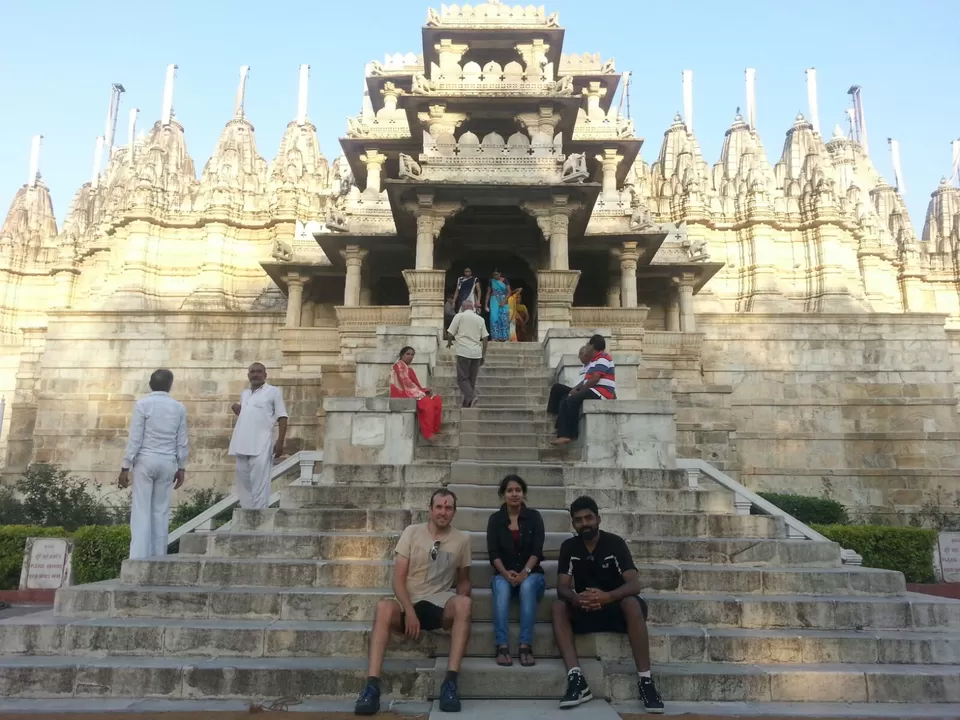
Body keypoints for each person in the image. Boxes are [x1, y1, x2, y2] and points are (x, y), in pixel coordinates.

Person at [355, 489, 473, 715]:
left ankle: (450, 684)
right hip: (409, 600)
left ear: (454, 512)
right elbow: (397, 580)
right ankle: (371, 687)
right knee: (383, 608)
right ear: (430, 510)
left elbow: (465, 580)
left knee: (464, 605)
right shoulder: (412, 532)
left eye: (448, 508)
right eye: (439, 507)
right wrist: (409, 610)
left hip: (439, 601)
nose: (443, 512)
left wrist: (463, 603)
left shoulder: (462, 540)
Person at [552, 496, 663, 713]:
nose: (585, 523)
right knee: (558, 606)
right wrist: (577, 598)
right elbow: (562, 587)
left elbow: (634, 584)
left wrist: (608, 597)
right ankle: (576, 679)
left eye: (588, 518)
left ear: (598, 519)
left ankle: (646, 681)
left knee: (632, 603)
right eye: (578, 520)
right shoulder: (569, 547)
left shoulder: (615, 543)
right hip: (585, 607)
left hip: (615, 607)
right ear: (573, 524)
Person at [118, 368, 188, 560]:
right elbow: (182, 441)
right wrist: (181, 467)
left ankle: (138, 558)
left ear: (150, 384)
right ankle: (158, 557)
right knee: (161, 511)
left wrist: (125, 467)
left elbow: (135, 439)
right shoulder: (178, 408)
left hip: (145, 461)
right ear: (170, 385)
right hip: (167, 462)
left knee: (141, 510)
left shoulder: (143, 405)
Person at [486, 474, 546, 667]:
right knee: (501, 587)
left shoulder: (534, 517)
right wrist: (505, 573)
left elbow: (537, 549)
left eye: (518, 490)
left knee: (527, 586)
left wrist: (525, 572)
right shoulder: (495, 520)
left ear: (523, 494)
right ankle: (501, 645)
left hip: (532, 574)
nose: (514, 494)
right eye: (510, 490)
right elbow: (493, 553)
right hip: (504, 573)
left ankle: (525, 645)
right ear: (503, 494)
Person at [227, 362, 288, 509]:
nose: (255, 374)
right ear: (248, 375)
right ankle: (247, 514)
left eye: (259, 372)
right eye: (252, 372)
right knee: (243, 481)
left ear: (265, 375)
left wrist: (280, 442)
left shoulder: (273, 392)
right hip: (242, 443)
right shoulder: (245, 394)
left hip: (262, 443)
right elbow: (249, 416)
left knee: (260, 482)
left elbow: (282, 417)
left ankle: (259, 517)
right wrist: (238, 410)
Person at [548, 334, 615, 445]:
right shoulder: (595, 360)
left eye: (588, 344)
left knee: (572, 399)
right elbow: (586, 380)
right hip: (594, 389)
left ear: (592, 346)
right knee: (566, 398)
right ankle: (563, 434)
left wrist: (580, 391)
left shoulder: (603, 357)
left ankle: (572, 434)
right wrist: (576, 389)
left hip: (601, 392)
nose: (587, 346)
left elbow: (595, 378)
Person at [390, 346, 443, 442]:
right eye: (408, 354)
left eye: (412, 355)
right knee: (427, 402)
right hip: (402, 393)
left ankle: (435, 429)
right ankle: (428, 433)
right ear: (402, 355)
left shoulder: (409, 369)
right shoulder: (399, 365)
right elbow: (406, 383)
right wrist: (422, 393)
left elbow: (416, 385)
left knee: (437, 398)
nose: (410, 356)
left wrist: (424, 390)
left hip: (412, 391)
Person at [445, 299, 489, 408]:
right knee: (471, 379)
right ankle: (467, 403)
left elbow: (450, 333)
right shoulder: (480, 319)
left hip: (463, 351)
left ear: (463, 307)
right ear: (473, 308)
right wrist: (483, 354)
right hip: (476, 353)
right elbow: (485, 338)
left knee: (462, 378)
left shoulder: (459, 316)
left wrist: (450, 342)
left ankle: (472, 397)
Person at [486, 270, 511, 342]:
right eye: (494, 275)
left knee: (504, 318)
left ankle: (505, 337)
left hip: (504, 300)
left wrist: (504, 301)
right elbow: (488, 293)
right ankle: (494, 337)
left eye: (497, 274)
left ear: (500, 274)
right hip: (494, 300)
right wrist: (486, 304)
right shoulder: (491, 281)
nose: (495, 276)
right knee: (494, 317)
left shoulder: (505, 280)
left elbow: (509, 291)